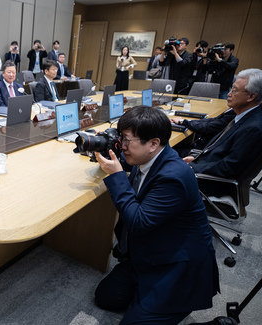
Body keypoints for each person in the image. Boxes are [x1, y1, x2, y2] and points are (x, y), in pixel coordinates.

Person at [93, 106, 219, 325]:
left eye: (126, 140)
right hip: (149, 252)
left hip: (177, 266)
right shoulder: (154, 156)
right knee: (105, 297)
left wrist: (117, 177)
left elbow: (139, 222)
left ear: (153, 143)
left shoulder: (174, 176)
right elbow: (133, 167)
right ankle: (148, 301)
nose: (122, 146)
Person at [184, 68, 262, 179]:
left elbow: (229, 167)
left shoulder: (253, 128)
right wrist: (196, 159)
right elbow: (220, 152)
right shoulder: (244, 116)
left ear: (251, 97)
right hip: (203, 167)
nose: (229, 94)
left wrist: (193, 168)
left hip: (208, 181)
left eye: (234, 90)